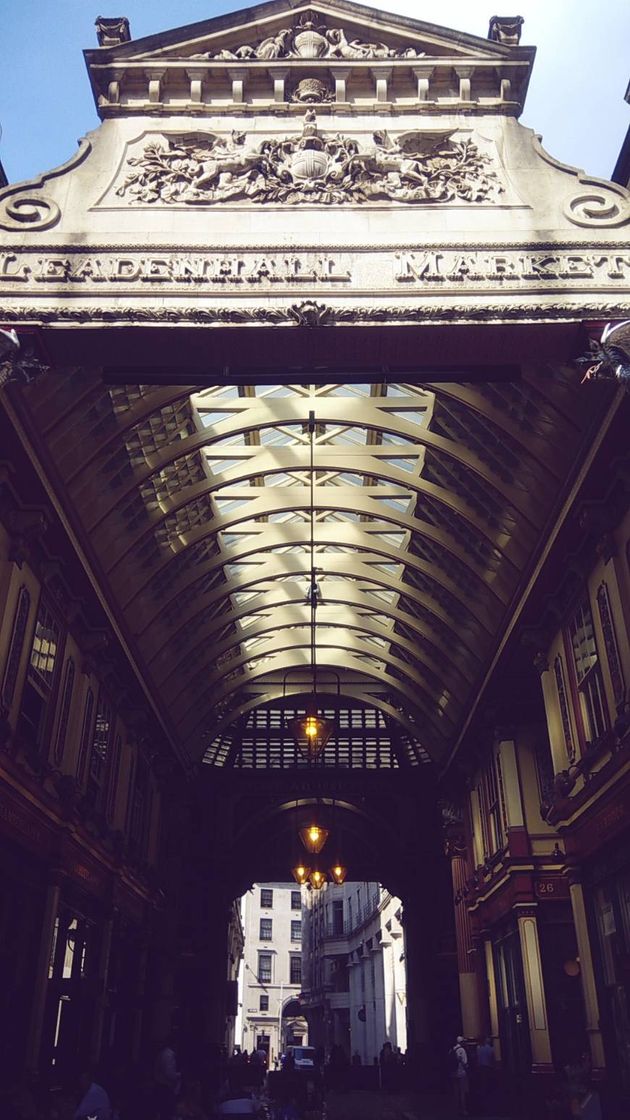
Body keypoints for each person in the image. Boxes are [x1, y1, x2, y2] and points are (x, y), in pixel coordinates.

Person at [154, 1035, 181, 1119]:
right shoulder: (168, 1055)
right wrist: (179, 1075)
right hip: (165, 1087)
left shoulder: (163, 1053)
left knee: (163, 1112)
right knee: (166, 1113)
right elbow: (169, 1073)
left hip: (162, 1086)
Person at [450, 1036, 468, 1117]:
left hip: (453, 1073)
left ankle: (456, 1109)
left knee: (456, 1092)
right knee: (462, 1092)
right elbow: (465, 1062)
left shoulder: (452, 1049)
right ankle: (463, 1110)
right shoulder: (462, 1050)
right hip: (461, 1073)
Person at [475, 1037, 495, 1109]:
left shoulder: (479, 1048)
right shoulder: (491, 1049)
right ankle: (488, 1101)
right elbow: (493, 1059)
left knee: (482, 1084)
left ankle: (482, 1101)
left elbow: (477, 1058)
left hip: (480, 1068)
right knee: (487, 1084)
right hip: (488, 1068)